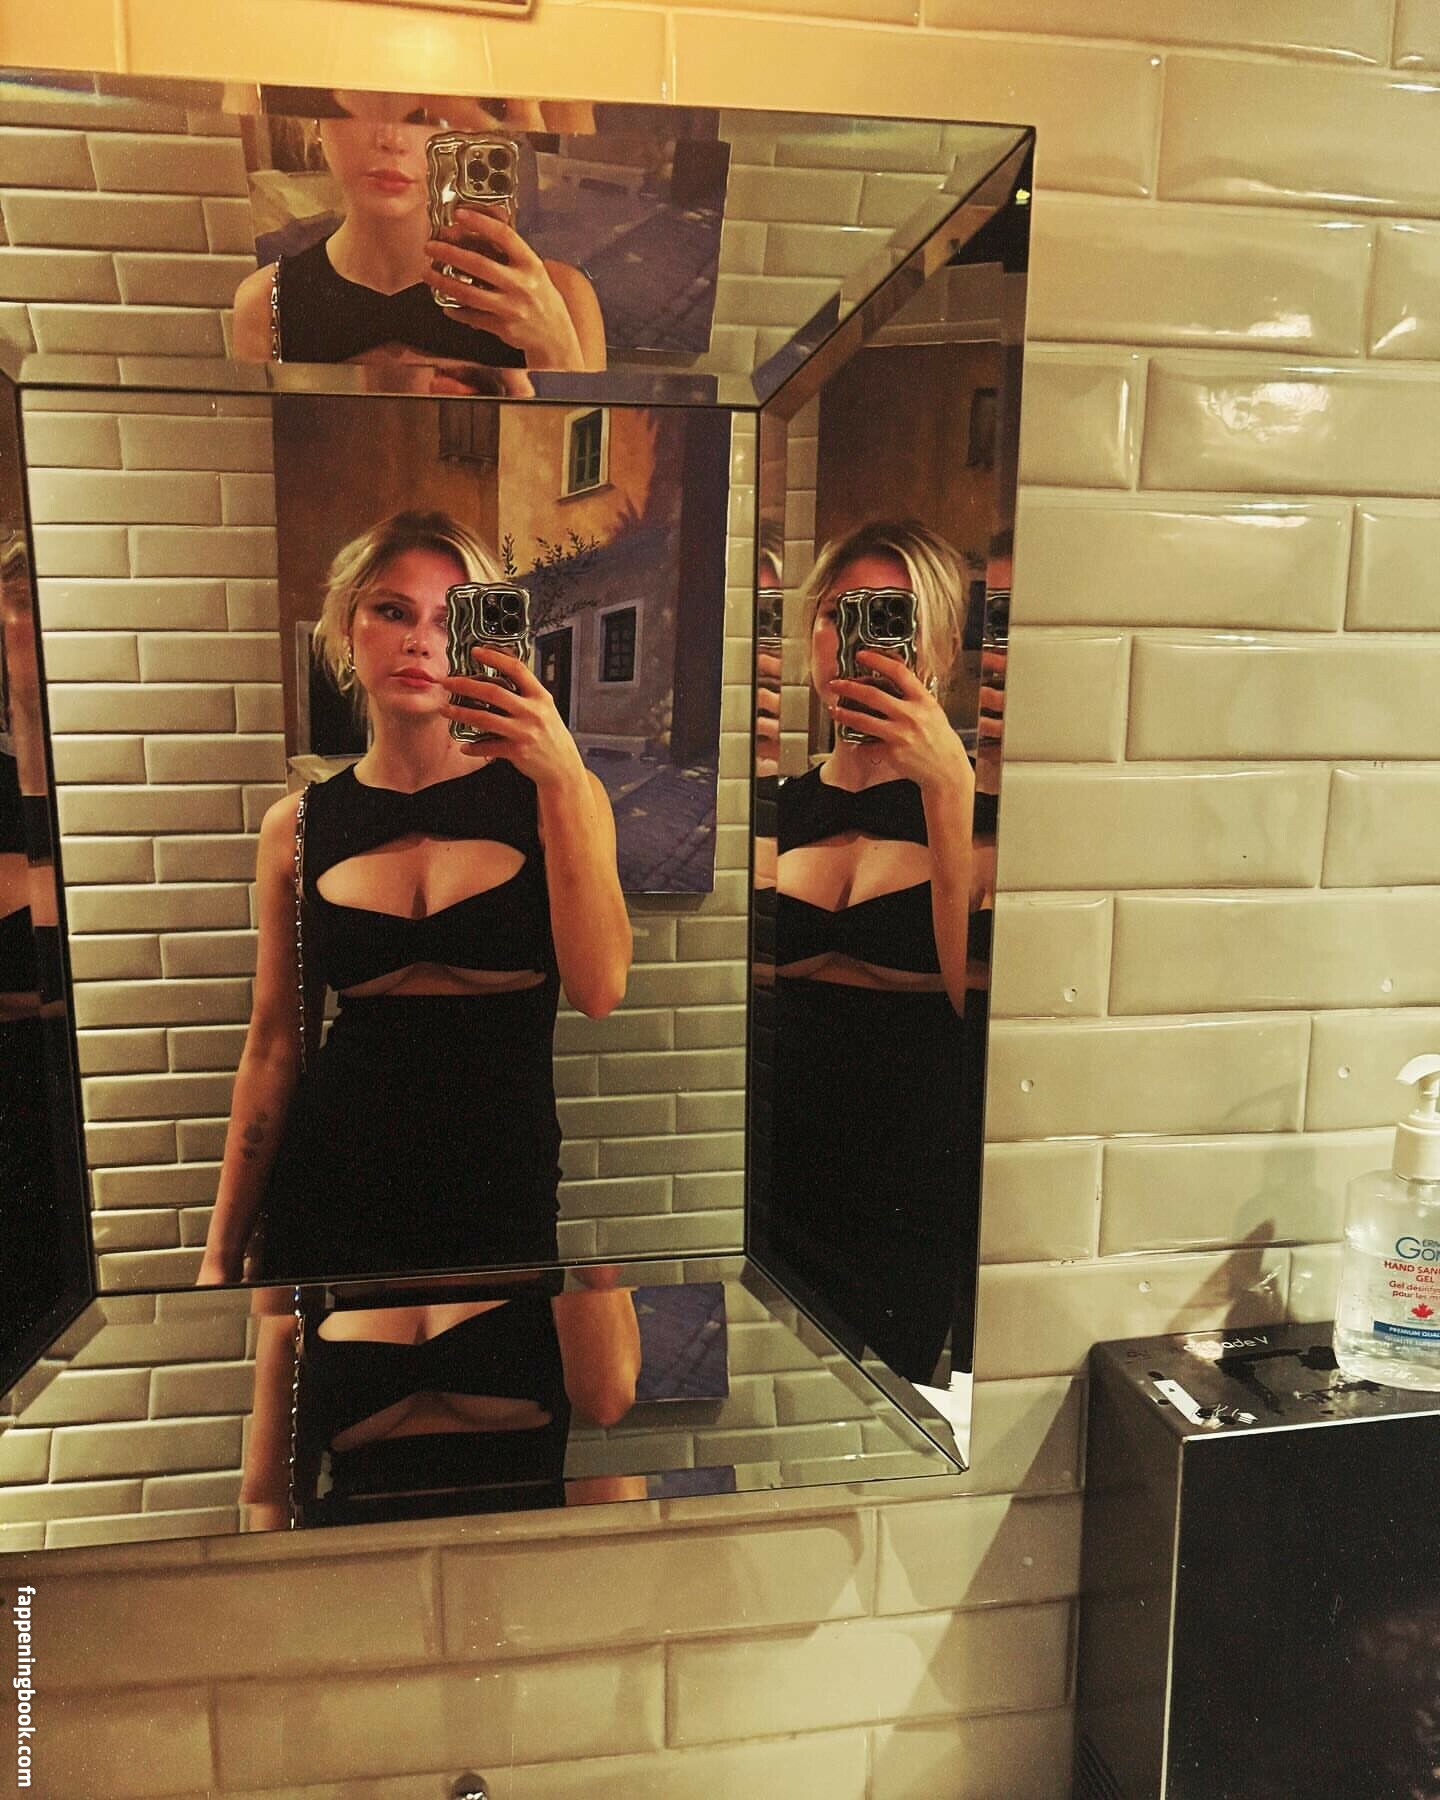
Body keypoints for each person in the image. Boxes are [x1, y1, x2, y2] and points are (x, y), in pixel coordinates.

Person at [196, 509, 631, 1286]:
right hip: (332, 1193)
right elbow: (273, 1047)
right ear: (348, 626)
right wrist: (220, 1254)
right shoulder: (296, 827)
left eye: (447, 619)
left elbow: (599, 990)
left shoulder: (554, 798)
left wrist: (563, 773)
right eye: (393, 611)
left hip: (500, 1198)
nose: (420, 641)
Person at [760, 519, 978, 1383]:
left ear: (942, 648)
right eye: (837, 614)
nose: (857, 643)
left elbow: (975, 1002)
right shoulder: (775, 809)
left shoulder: (984, 813)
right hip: (776, 1181)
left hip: (912, 1187)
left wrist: (949, 788)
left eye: (892, 618)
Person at [232, 89, 606, 371]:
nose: (392, 139)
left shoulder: (560, 299)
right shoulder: (265, 305)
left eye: (425, 113)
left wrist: (557, 351)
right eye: (366, 103)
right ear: (315, 117)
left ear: (466, 129)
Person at [242, 1269, 644, 1529]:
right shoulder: (307, 1302)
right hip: (364, 1572)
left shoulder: (533, 1272)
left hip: (522, 1563)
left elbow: (608, 1400)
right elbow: (267, 1497)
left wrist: (598, 1274)